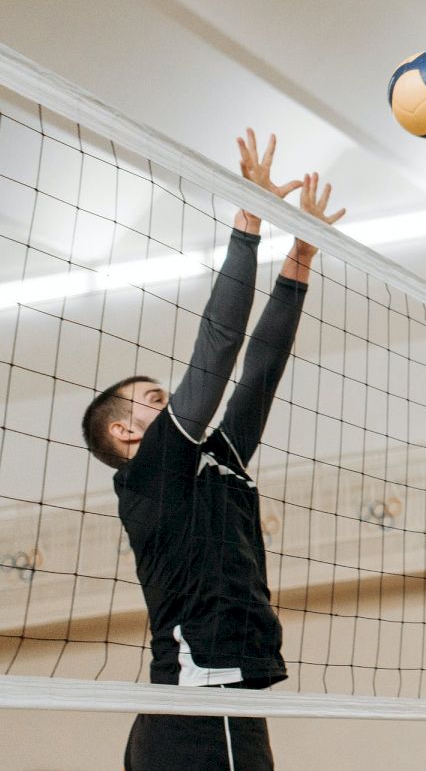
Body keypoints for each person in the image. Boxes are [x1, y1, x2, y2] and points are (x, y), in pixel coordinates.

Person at [81, 130, 345, 771]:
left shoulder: (217, 461)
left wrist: (302, 253)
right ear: (125, 433)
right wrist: (248, 220)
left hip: (209, 707)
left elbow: (260, 370)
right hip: (204, 705)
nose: (169, 403)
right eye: (152, 399)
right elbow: (219, 346)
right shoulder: (151, 472)